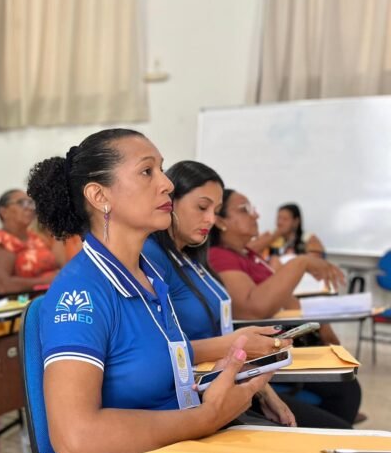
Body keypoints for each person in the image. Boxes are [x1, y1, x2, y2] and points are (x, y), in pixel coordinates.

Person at [27, 128, 387, 453]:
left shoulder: (148, 280)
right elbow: (75, 440)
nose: (165, 183)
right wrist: (206, 416)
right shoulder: (81, 293)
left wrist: (244, 384)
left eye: (162, 169)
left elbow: (165, 367)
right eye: (147, 172)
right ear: (100, 196)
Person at [145, 161, 351, 429]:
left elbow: (222, 330)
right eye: (201, 207)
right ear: (171, 200)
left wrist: (264, 391)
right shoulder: (152, 258)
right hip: (194, 399)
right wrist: (240, 345)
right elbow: (162, 350)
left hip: (232, 382)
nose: (210, 220)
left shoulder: (194, 259)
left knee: (338, 417)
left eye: (216, 211)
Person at [208, 189, 363, 425]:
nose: (256, 215)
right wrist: (301, 263)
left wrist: (321, 322)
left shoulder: (250, 254)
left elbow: (286, 299)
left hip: (287, 338)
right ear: (220, 221)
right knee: (346, 392)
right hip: (270, 346)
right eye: (244, 210)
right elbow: (253, 308)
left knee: (348, 388)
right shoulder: (220, 256)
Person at [0, 189, 62, 295]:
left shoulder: (35, 237)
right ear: (3, 211)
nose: (29, 208)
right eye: (21, 203)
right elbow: (2, 286)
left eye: (30, 203)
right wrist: (47, 281)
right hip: (25, 302)